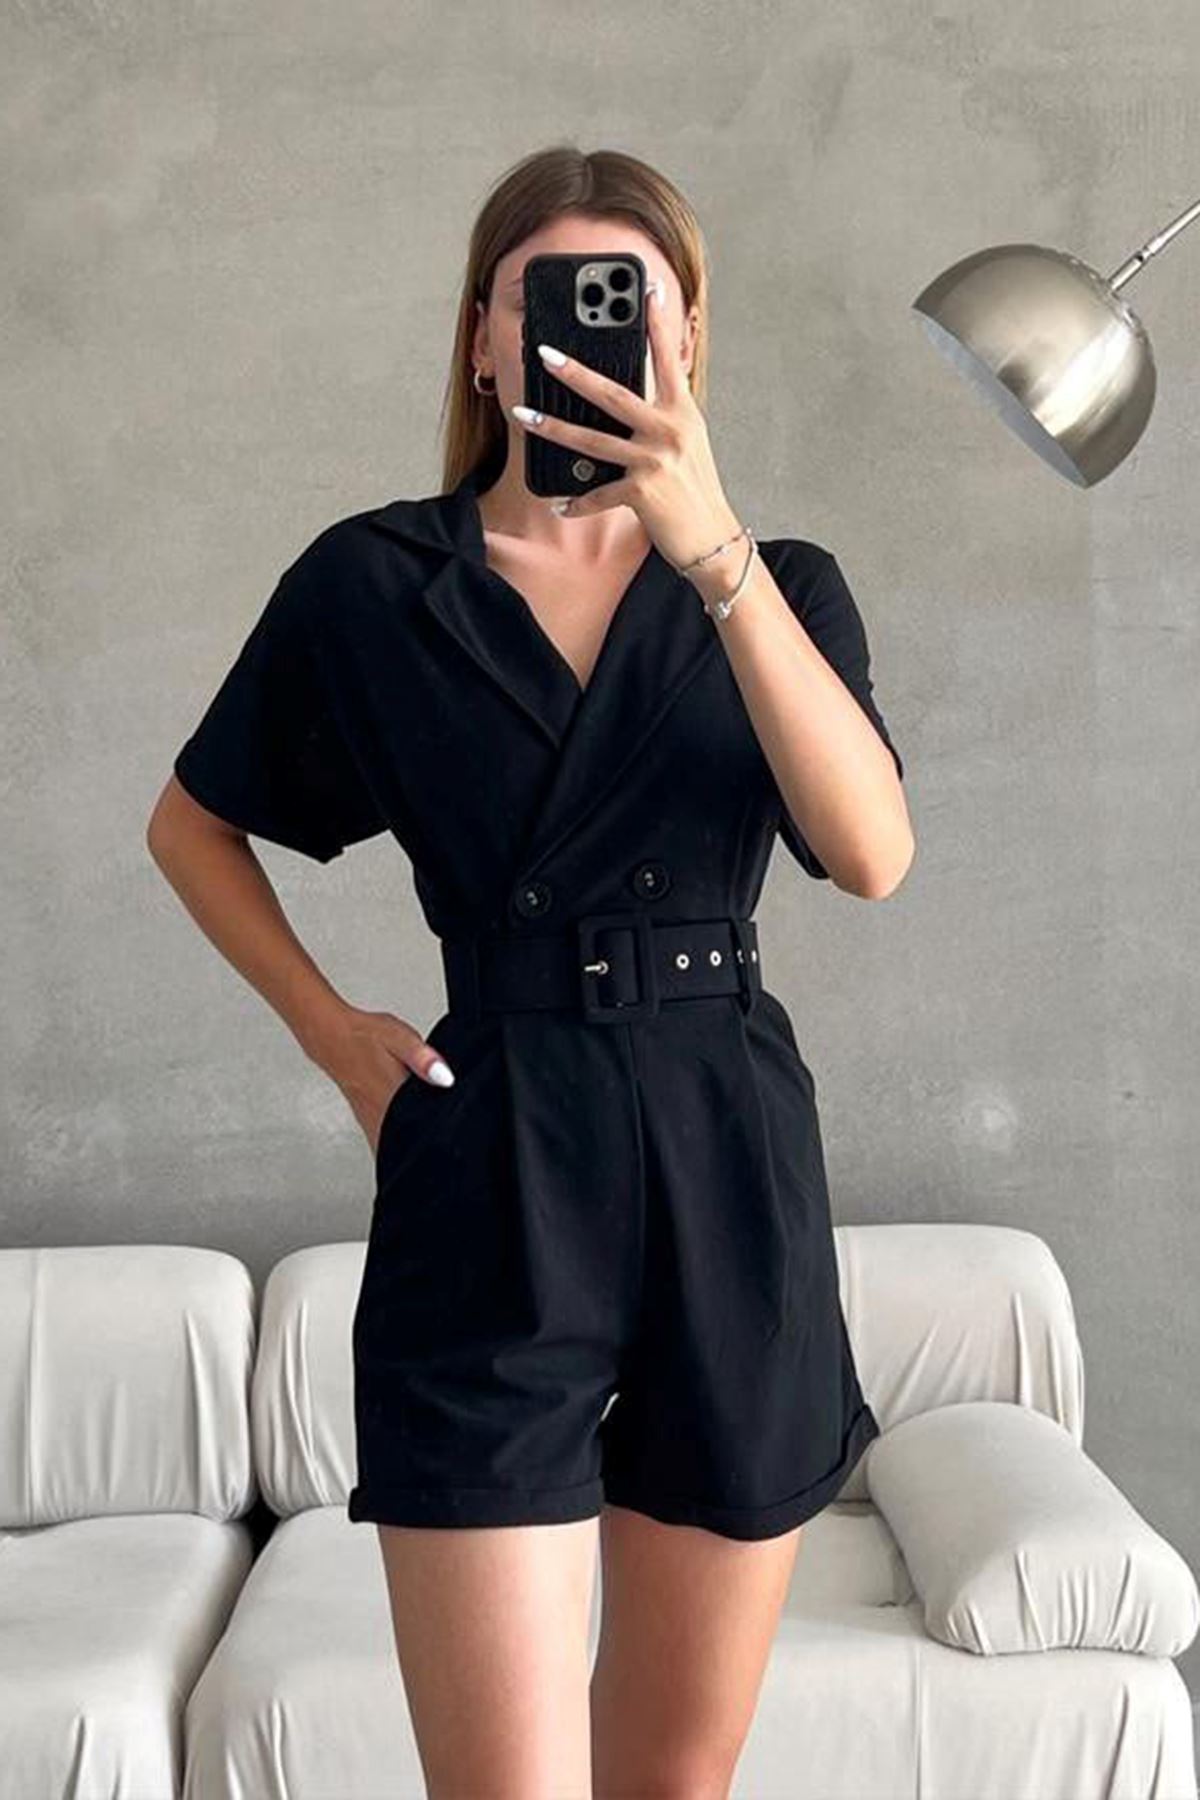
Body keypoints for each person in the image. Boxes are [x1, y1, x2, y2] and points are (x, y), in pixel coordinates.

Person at [148, 144, 913, 1800]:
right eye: (540, 296)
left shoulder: (781, 586)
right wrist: (332, 1033)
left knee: (673, 1783)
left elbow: (871, 855)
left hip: (726, 1154)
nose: (583, 327)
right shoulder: (375, 586)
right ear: (483, 341)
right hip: (492, 1151)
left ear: (686, 338)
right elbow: (191, 823)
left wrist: (711, 554)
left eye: (632, 300)